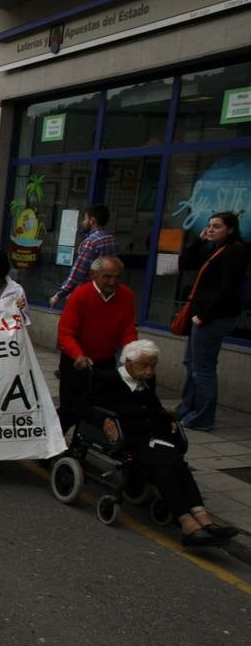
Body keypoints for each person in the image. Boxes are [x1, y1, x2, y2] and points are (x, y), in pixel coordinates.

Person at [79, 340, 238, 547]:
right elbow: (82, 405)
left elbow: (155, 408)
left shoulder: (147, 382)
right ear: (128, 363)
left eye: (153, 366)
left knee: (178, 462)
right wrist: (104, 420)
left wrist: (169, 420)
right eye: (144, 366)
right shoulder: (108, 380)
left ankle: (204, 520)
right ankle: (186, 522)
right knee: (163, 465)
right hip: (127, 438)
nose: (149, 372)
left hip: (150, 437)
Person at [175, 211, 248, 431]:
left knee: (203, 369)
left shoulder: (235, 252)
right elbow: (186, 262)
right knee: (192, 363)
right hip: (201, 314)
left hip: (213, 317)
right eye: (210, 226)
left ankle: (202, 417)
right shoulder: (214, 249)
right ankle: (187, 408)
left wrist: (205, 315)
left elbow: (227, 288)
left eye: (217, 226)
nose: (211, 230)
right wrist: (199, 240)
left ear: (231, 229)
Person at [55, 256, 136, 432]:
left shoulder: (126, 295)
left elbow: (128, 330)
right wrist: (78, 355)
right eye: (107, 276)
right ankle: (50, 446)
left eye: (117, 277)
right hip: (77, 361)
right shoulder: (80, 295)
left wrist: (133, 354)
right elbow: (66, 332)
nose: (113, 282)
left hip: (105, 360)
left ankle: (83, 442)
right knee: (70, 408)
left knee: (99, 407)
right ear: (93, 275)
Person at [50, 204, 116, 308]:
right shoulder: (110, 238)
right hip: (105, 293)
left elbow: (77, 273)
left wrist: (59, 295)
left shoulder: (91, 242)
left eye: (85, 219)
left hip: (89, 295)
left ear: (92, 220)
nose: (83, 222)